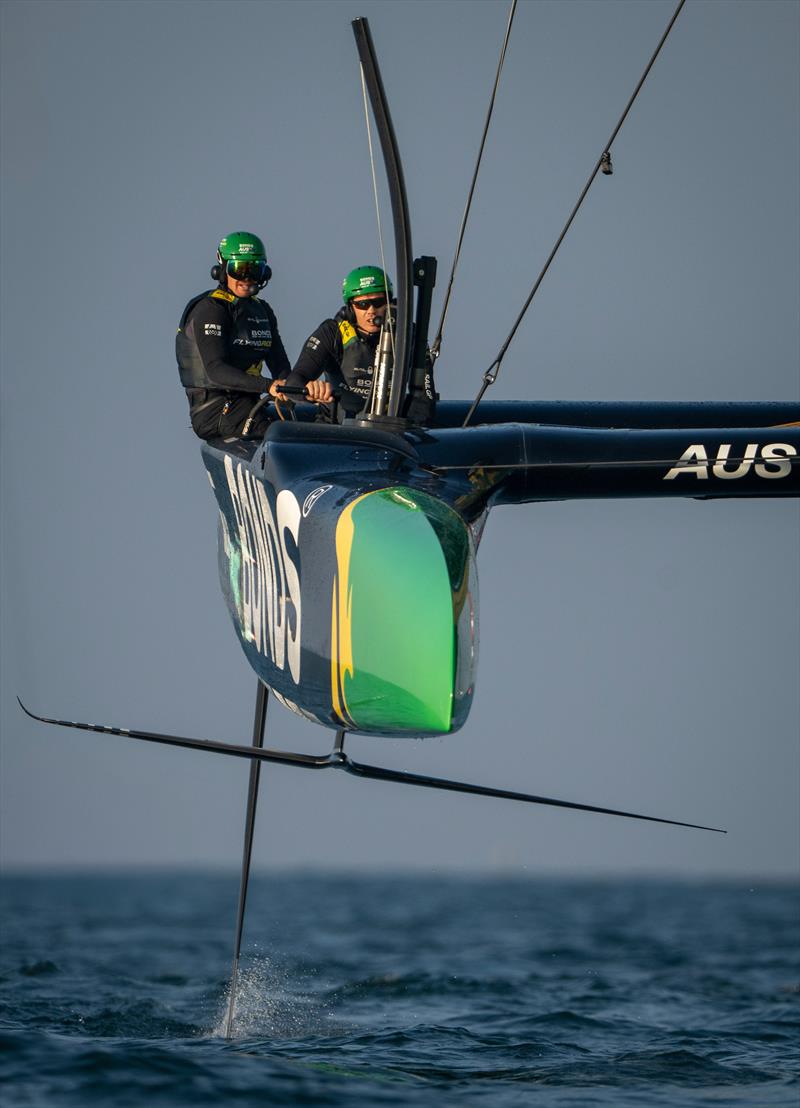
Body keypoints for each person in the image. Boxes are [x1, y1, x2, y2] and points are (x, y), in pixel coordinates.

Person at [281, 265, 435, 423]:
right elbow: (294, 381)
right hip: (337, 431)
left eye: (378, 302)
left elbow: (425, 398)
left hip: (391, 432)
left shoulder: (409, 335)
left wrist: (408, 427)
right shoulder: (332, 333)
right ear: (350, 309)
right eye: (362, 305)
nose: (371, 311)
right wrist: (310, 391)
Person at [176, 231, 291, 440]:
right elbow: (216, 370)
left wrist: (300, 389)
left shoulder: (263, 310)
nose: (246, 278)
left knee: (315, 420)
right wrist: (268, 386)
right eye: (239, 270)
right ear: (222, 270)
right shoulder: (211, 309)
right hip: (215, 411)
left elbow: (280, 366)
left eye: (255, 270)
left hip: (251, 404)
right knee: (284, 434)